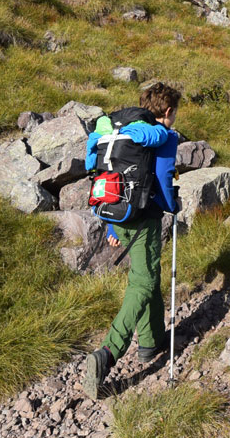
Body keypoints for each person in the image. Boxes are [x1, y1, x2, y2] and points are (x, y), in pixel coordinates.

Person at [83, 82, 182, 400]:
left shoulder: (118, 131)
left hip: (112, 211)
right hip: (143, 218)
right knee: (142, 283)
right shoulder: (161, 136)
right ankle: (108, 353)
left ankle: (151, 342)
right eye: (175, 114)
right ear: (168, 112)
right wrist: (172, 206)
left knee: (146, 274)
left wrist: (112, 229)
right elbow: (165, 182)